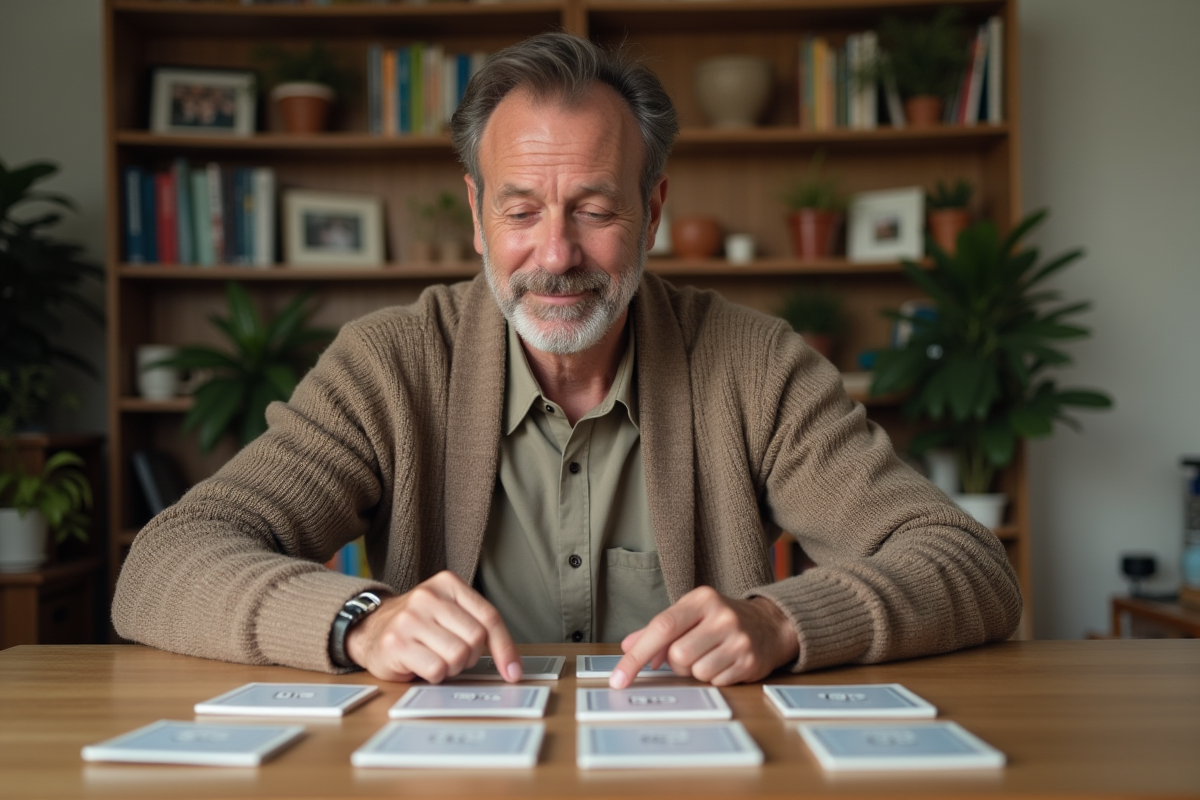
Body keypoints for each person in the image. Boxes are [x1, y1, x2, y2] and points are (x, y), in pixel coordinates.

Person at [113, 33, 1021, 689]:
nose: (555, 255)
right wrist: (357, 620)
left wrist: (786, 621)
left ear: (652, 210)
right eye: (519, 212)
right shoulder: (389, 364)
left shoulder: (755, 364)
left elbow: (967, 565)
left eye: (593, 208)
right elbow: (164, 563)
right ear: (475, 216)